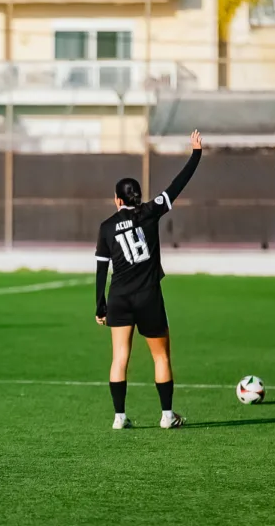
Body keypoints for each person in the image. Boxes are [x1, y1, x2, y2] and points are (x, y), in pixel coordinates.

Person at [95, 130, 203, 430]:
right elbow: (177, 185)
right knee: (161, 356)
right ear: (138, 197)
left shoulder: (106, 227)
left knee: (119, 358)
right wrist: (196, 153)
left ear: (117, 199)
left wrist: (99, 305)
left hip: (119, 298)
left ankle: (119, 417)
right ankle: (167, 416)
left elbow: (101, 268)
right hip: (148, 297)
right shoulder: (151, 211)